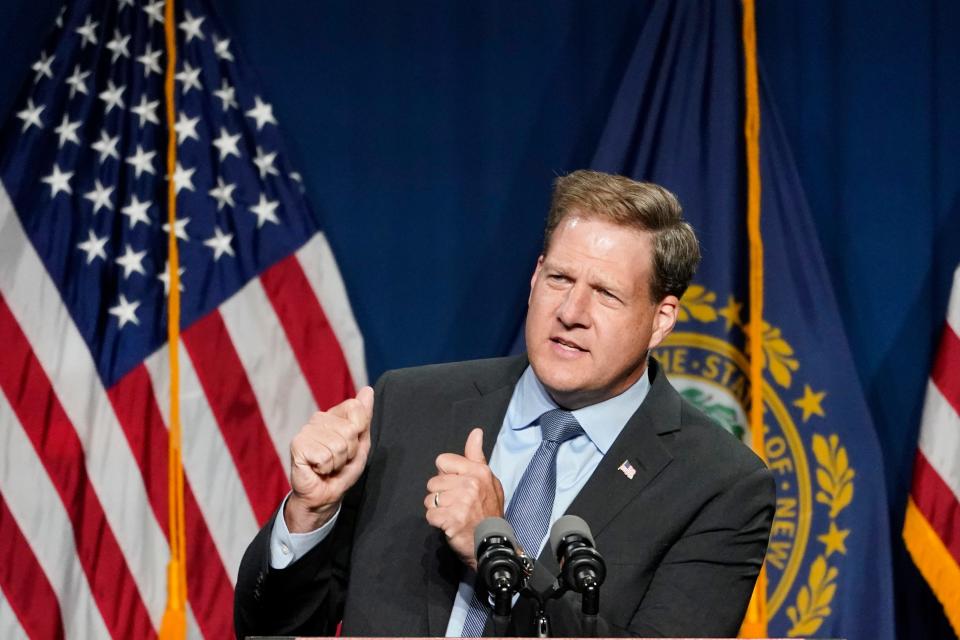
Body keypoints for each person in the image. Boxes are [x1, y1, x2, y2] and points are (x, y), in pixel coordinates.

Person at [234, 170, 775, 638]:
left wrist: (497, 553)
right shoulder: (412, 406)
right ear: (536, 277)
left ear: (661, 319)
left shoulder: (719, 483)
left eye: (606, 294)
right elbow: (271, 629)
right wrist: (311, 513)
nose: (571, 311)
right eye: (560, 278)